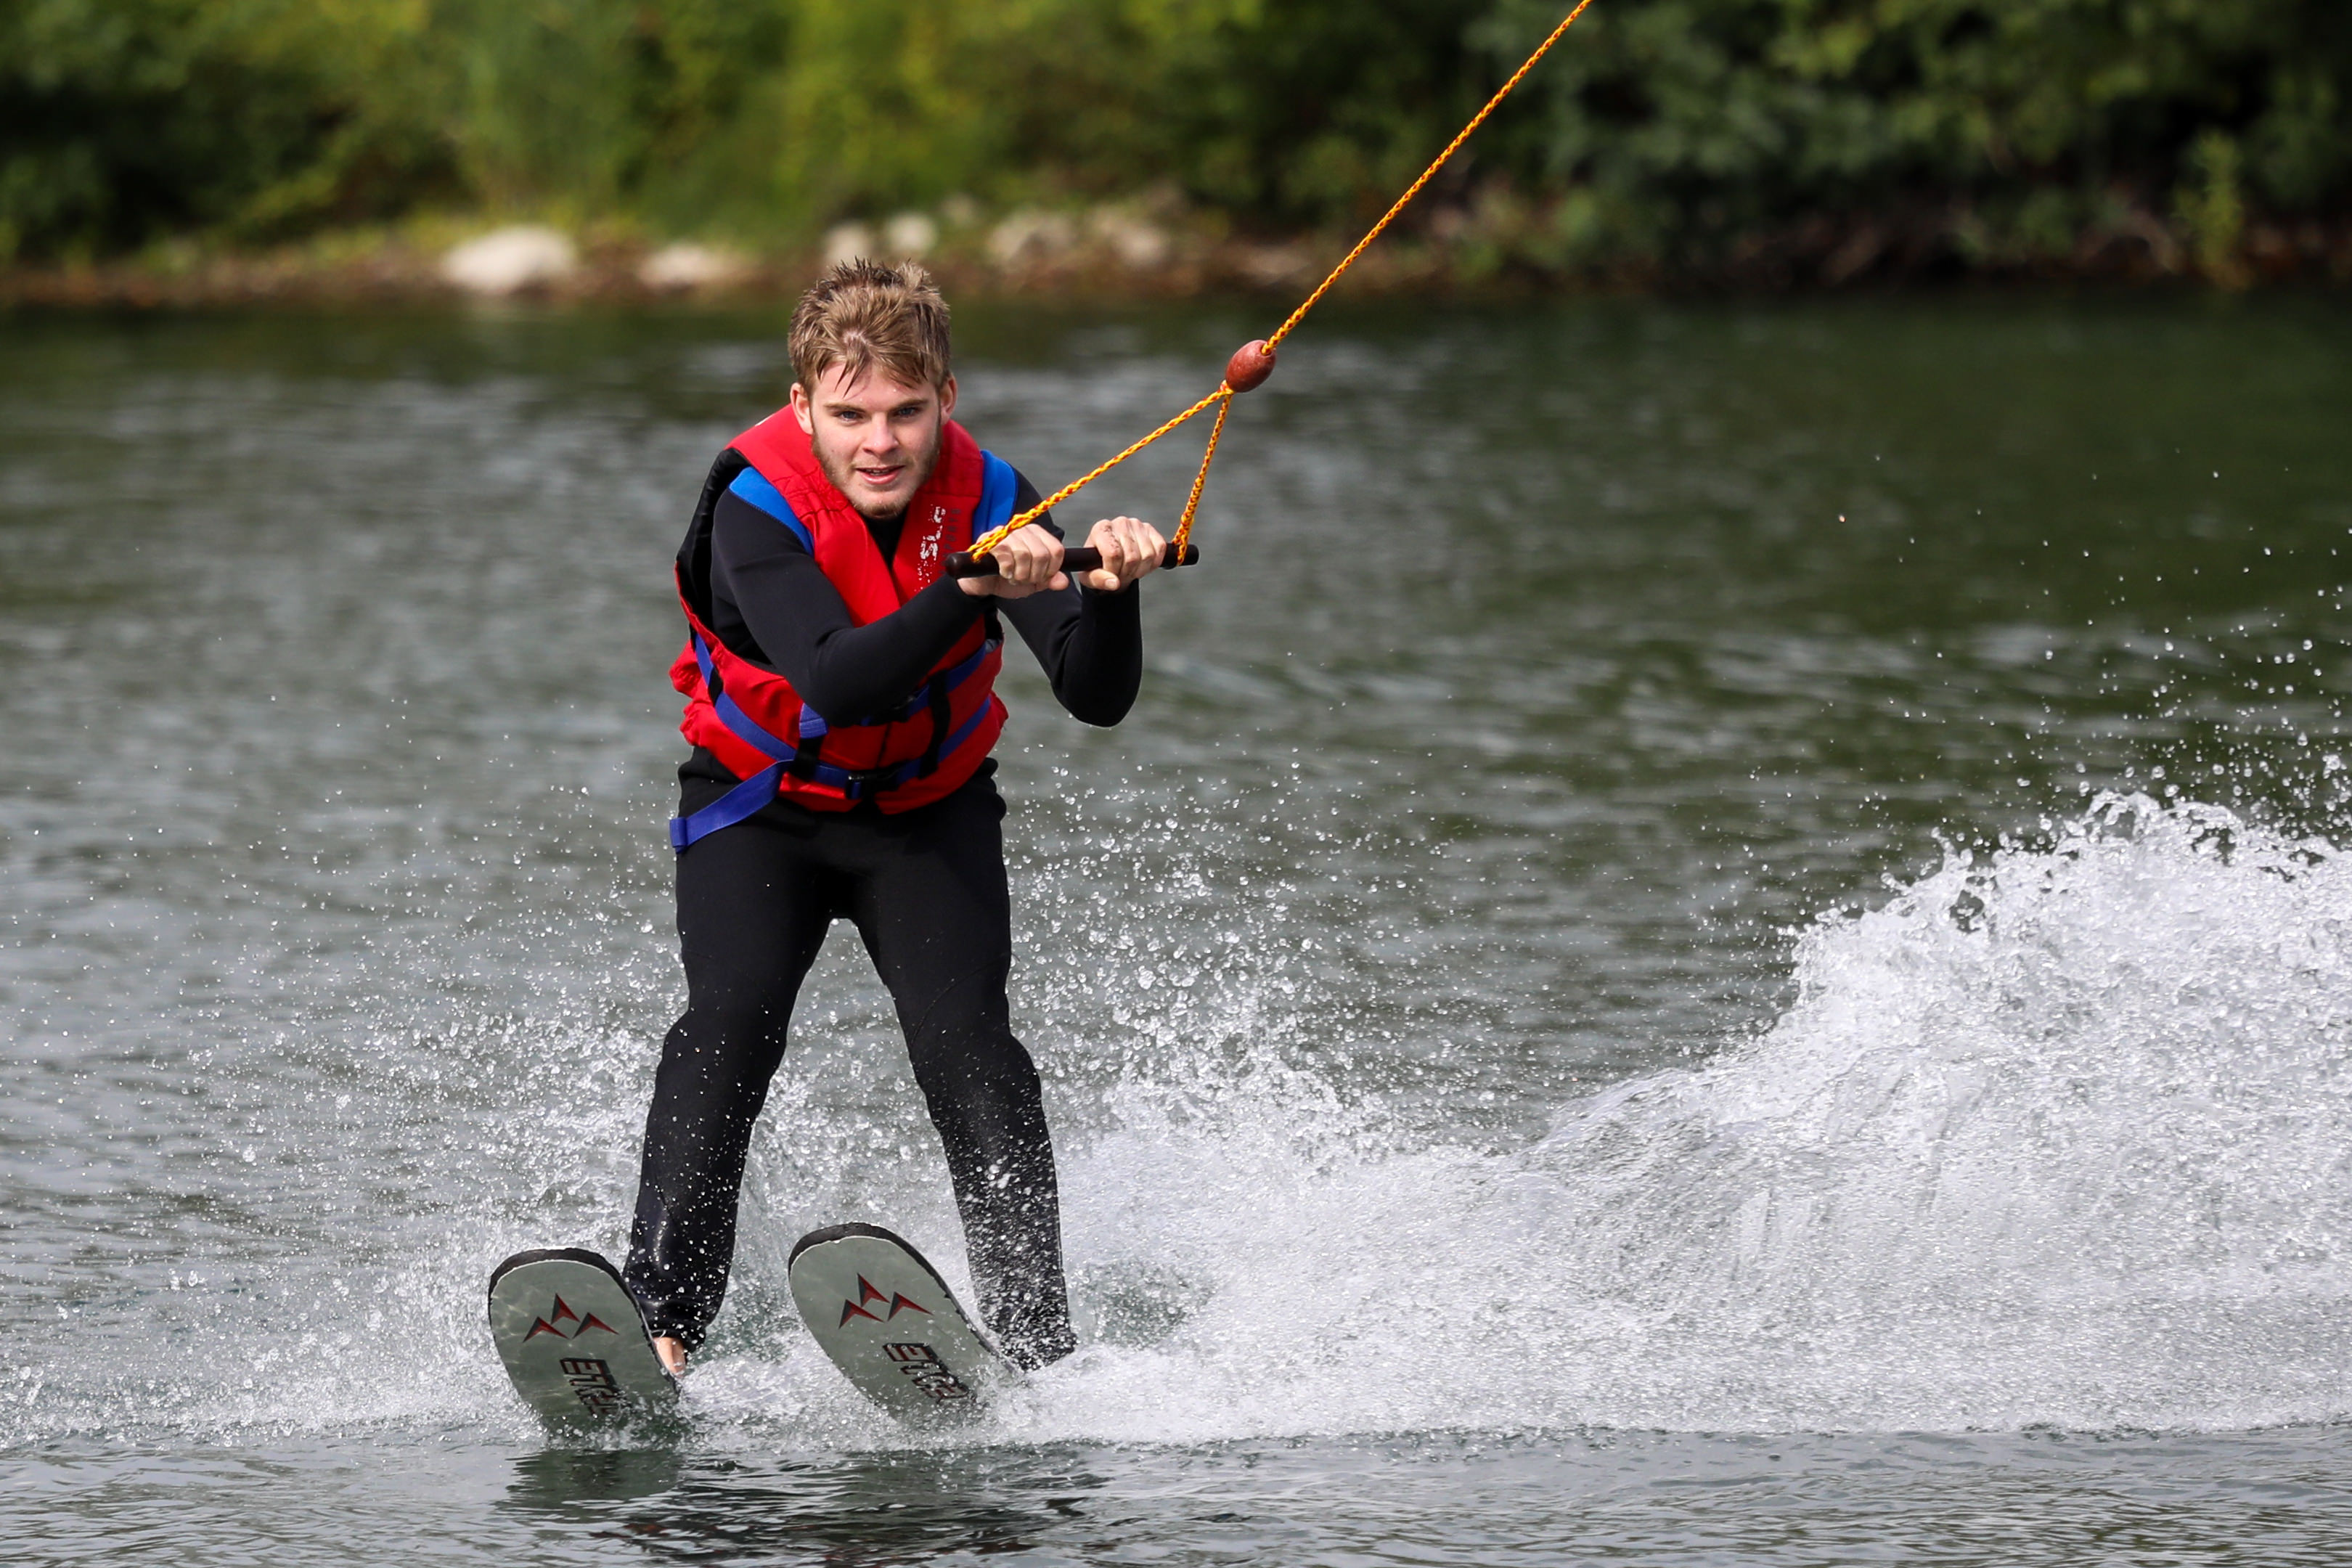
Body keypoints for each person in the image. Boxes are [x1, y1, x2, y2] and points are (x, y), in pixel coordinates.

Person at [623, 258, 1166, 1379]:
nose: (881, 441)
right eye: (852, 415)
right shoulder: (753, 507)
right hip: (761, 813)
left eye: (908, 412)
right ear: (802, 409)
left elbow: (1093, 693)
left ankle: (1037, 1349)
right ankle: (663, 1327)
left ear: (946, 401)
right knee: (729, 1030)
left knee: (975, 1055)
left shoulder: (995, 495)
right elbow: (838, 680)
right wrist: (971, 589)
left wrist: (1112, 597)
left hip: (927, 814)